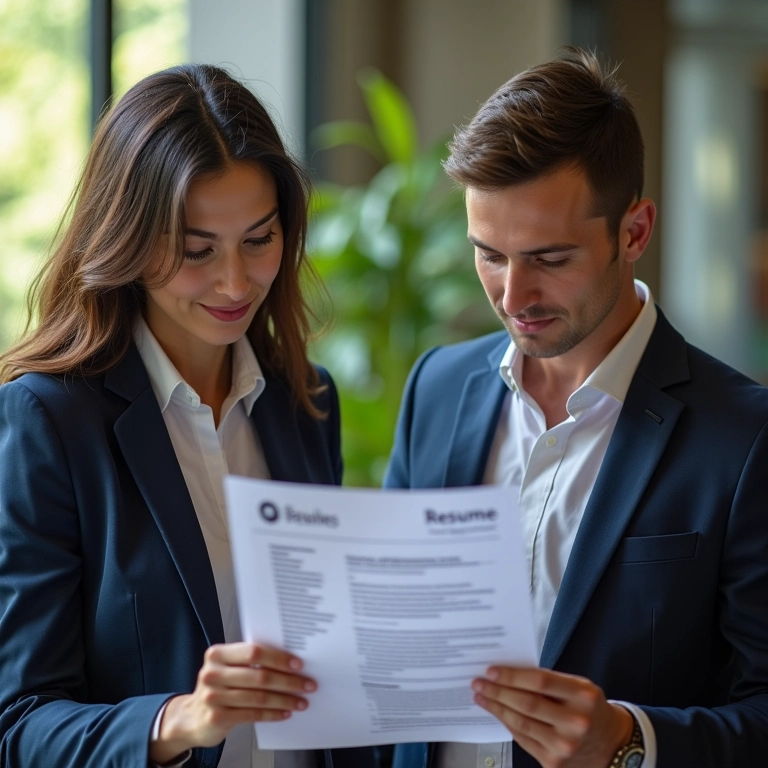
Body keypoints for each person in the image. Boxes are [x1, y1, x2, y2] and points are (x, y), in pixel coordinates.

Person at [384, 47, 768, 768]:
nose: (512, 296)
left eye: (549, 259)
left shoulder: (745, 440)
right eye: (488, 254)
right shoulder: (433, 390)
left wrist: (628, 742)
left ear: (634, 232)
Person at [0, 64, 345, 768]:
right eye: (196, 251)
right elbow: (19, 721)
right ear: (126, 239)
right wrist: (177, 721)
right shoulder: (48, 420)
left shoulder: (306, 402)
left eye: (260, 240)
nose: (235, 282)